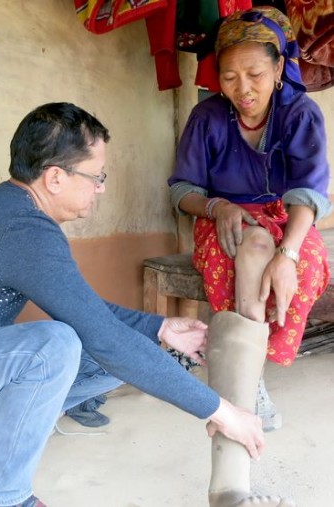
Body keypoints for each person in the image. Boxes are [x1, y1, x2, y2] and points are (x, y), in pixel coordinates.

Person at [0, 102, 268, 507]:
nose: (101, 187)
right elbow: (103, 338)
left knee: (124, 342)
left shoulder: (14, 212)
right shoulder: (19, 231)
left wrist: (160, 329)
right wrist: (221, 411)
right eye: (97, 176)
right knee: (54, 346)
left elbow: (87, 313)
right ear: (56, 178)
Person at [168, 6, 330, 507]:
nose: (244, 88)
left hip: (292, 221)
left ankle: (242, 393)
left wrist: (288, 252)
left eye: (256, 74)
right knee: (250, 245)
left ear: (279, 68)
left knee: (281, 258)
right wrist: (216, 206)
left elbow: (309, 193)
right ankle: (237, 455)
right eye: (231, 76)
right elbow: (182, 190)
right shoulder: (207, 116)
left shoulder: (300, 114)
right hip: (224, 222)